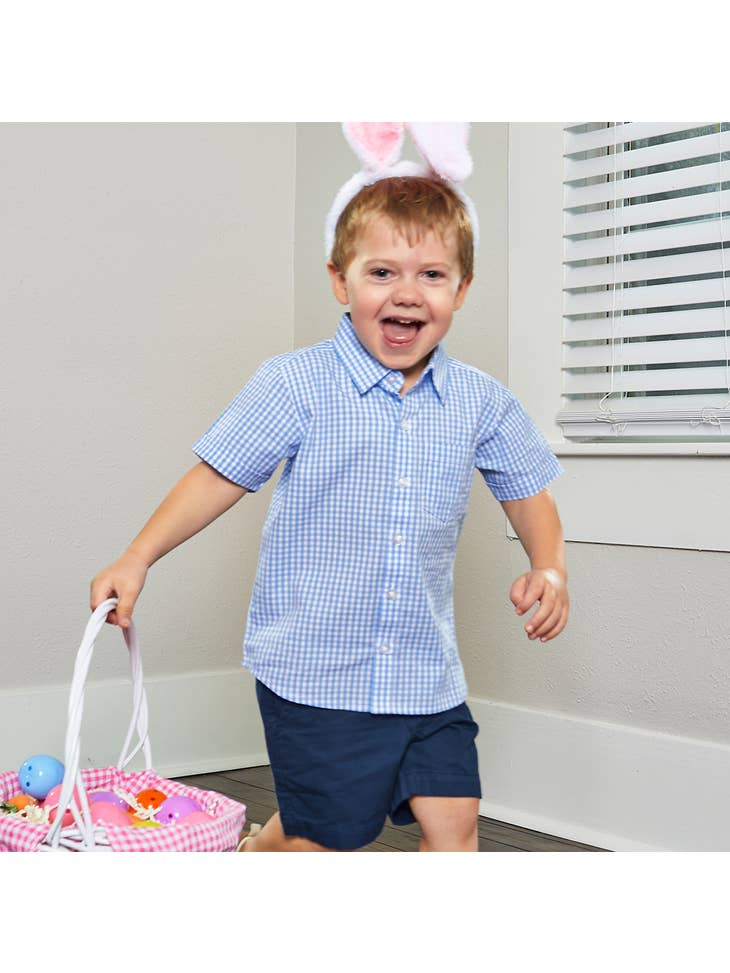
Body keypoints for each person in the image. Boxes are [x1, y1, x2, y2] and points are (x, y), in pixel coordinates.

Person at [90, 123, 569, 853]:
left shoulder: (480, 400)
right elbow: (219, 474)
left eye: (432, 275)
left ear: (462, 289)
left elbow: (528, 488)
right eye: (382, 273)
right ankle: (264, 849)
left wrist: (549, 564)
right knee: (328, 837)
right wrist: (138, 556)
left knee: (456, 818)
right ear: (339, 279)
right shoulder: (296, 384)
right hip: (318, 673)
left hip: (426, 673)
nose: (407, 292)